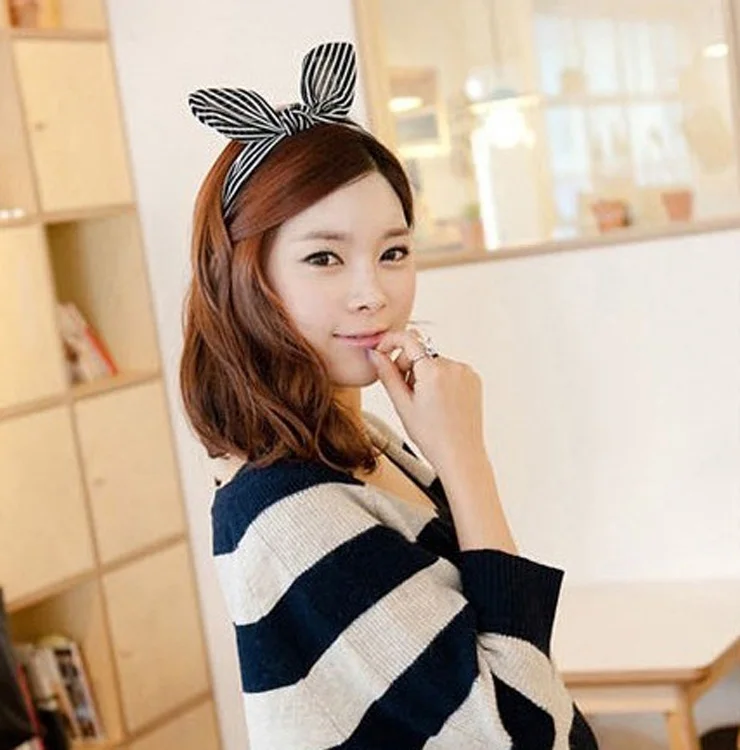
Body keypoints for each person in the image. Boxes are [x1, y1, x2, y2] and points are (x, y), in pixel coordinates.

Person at [180, 41, 599, 750]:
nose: (372, 292)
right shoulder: (285, 509)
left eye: (393, 252)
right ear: (246, 276)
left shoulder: (363, 445)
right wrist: (465, 460)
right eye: (324, 257)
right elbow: (516, 735)